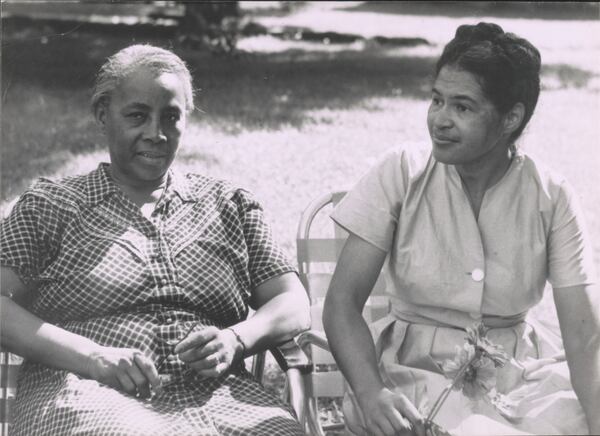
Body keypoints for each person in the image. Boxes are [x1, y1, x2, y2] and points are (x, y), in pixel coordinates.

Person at [0, 44, 310, 436]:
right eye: (137, 116)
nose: (155, 134)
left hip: (221, 397)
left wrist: (237, 338)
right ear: (102, 115)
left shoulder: (228, 204)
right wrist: (93, 357)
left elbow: (293, 302)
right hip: (86, 395)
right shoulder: (51, 207)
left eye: (171, 117)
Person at [323, 22, 599, 436]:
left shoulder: (552, 196)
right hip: (411, 373)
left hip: (518, 377)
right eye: (437, 100)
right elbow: (341, 304)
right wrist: (370, 393)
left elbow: (584, 339)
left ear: (510, 118)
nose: (440, 120)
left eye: (462, 107)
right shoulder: (402, 171)